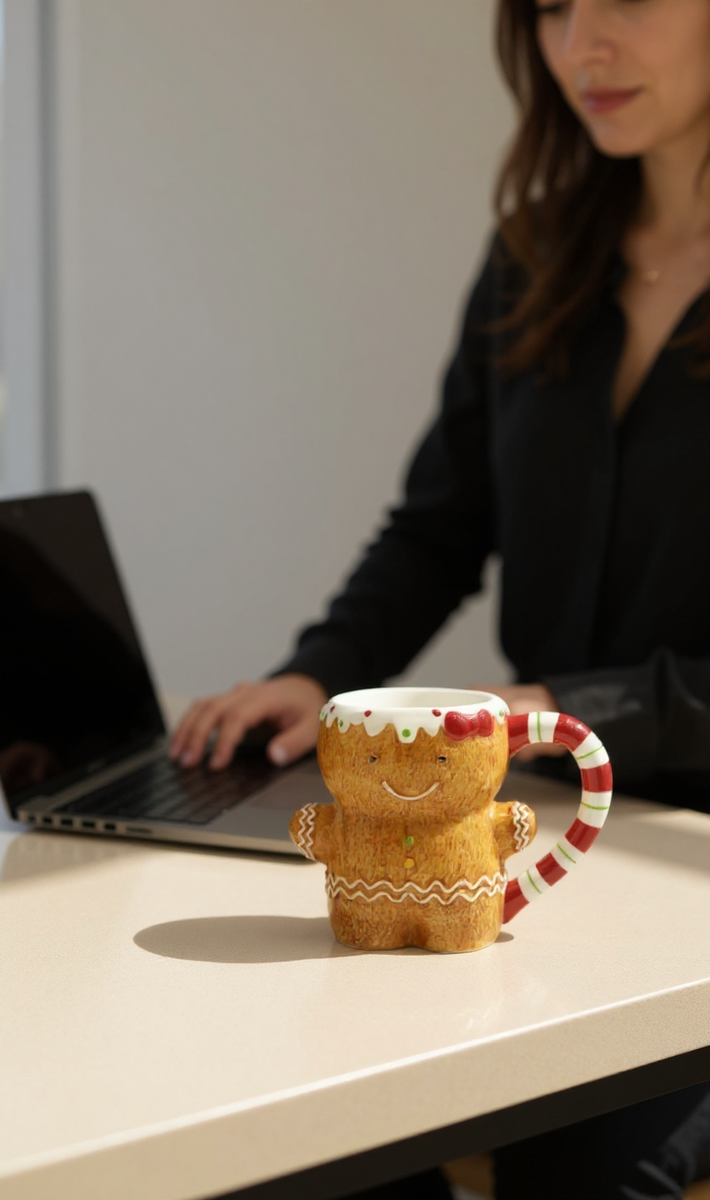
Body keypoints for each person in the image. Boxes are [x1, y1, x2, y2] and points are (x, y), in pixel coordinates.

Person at [172, 1, 710, 1196]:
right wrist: (319, 669)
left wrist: (562, 707)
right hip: (541, 833)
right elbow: (440, 524)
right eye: (549, 7)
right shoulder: (534, 251)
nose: (580, 45)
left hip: (689, 889)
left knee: (578, 1169)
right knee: (312, 1127)